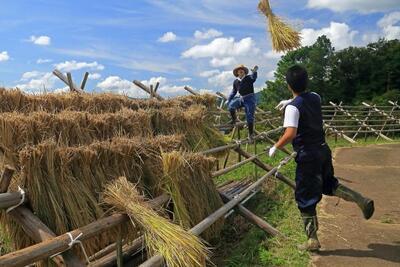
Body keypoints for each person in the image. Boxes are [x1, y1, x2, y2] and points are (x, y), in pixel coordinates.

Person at [269, 65, 375, 251]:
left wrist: (276, 146)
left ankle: (312, 240)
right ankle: (360, 199)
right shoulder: (315, 97)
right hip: (323, 150)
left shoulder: (292, 109)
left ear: (288, 85)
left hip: (308, 156)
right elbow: (305, 99)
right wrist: (290, 101)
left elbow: (290, 133)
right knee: (329, 184)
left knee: (305, 196)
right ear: (306, 81)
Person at [227, 64, 258, 142]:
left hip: (250, 98)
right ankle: (235, 120)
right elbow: (234, 92)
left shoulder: (248, 78)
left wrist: (254, 72)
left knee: (249, 116)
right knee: (231, 106)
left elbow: (254, 78)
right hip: (241, 98)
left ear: (244, 72)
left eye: (242, 71)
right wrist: (229, 99)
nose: (240, 72)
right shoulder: (236, 81)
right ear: (237, 73)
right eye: (239, 71)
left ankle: (251, 134)